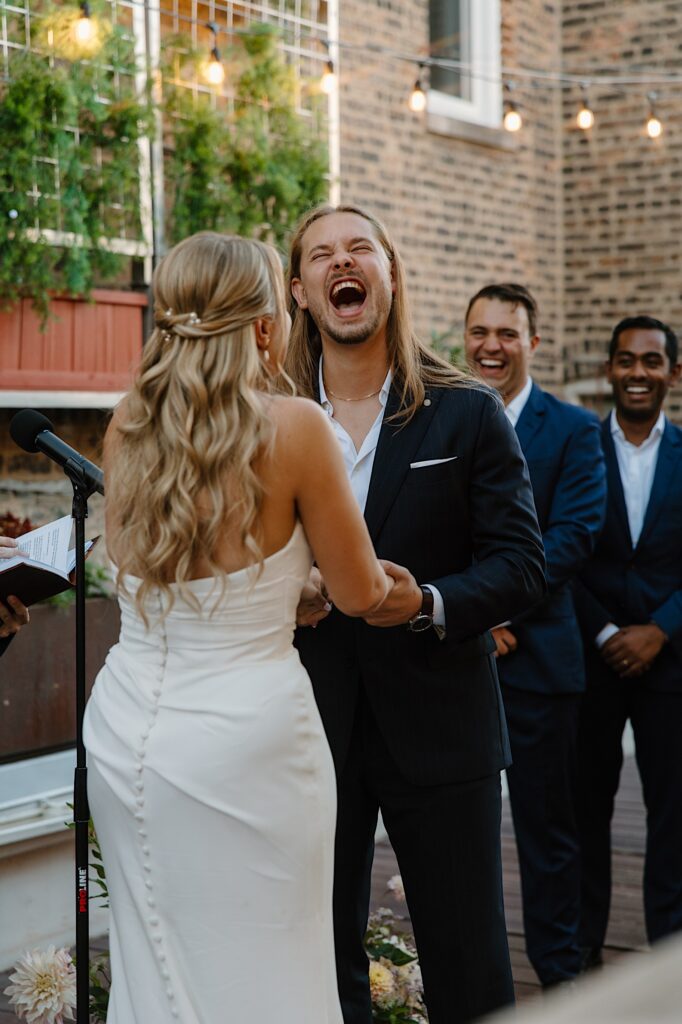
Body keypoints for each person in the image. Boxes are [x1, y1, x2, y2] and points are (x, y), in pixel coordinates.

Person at [82, 231, 397, 1024]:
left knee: (155, 958)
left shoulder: (127, 426)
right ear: (264, 327)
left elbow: (155, 582)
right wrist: (320, 585)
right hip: (247, 741)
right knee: (268, 962)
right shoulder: (294, 427)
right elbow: (360, 593)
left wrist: (272, 587)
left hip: (125, 731)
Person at [285, 205, 547, 1024]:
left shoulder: (467, 410)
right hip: (305, 728)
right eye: (320, 255)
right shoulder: (271, 416)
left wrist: (428, 603)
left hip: (443, 727)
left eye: (360, 248)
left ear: (391, 276)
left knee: (469, 964)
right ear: (299, 291)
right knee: (319, 962)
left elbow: (520, 565)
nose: (341, 263)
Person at [463, 283, 606, 988]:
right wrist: (469, 616)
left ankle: (559, 977)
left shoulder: (576, 428)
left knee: (549, 834)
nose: (492, 346)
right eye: (480, 331)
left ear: (533, 343)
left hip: (537, 656)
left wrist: (497, 608)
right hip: (458, 655)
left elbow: (574, 535)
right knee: (460, 836)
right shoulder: (442, 416)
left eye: (507, 334)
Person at [573, 315, 682, 970]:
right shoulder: (577, 446)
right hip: (591, 659)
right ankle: (582, 955)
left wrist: (661, 628)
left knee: (674, 820)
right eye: (625, 360)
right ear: (610, 370)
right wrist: (608, 630)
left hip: (673, 662)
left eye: (651, 361)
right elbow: (562, 553)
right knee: (585, 813)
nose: (637, 372)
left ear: (673, 372)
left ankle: (668, 961)